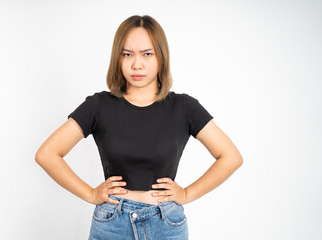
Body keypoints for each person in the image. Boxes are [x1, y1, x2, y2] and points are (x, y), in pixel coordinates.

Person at [35, 15, 243, 240]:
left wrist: (187, 193)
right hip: (111, 224)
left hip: (166, 223)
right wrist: (91, 193)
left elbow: (230, 157)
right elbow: (47, 154)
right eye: (127, 54)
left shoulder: (184, 107)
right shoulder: (98, 105)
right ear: (118, 58)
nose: (137, 64)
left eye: (147, 54)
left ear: (161, 58)